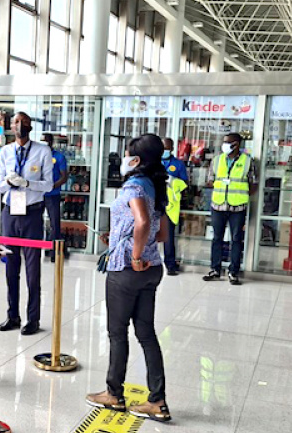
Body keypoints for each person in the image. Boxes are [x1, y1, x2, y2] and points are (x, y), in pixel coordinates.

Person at [86, 133, 171, 422]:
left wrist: (134, 254)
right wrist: (123, 238)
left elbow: (143, 222)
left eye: (126, 154)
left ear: (136, 159)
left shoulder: (134, 185)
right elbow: (162, 232)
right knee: (146, 333)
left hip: (127, 269)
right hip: (152, 268)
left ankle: (114, 394)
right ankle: (157, 401)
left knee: (117, 332)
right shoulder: (157, 187)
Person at [0, 112, 54, 336]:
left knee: (32, 270)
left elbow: (48, 185)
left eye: (23, 122)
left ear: (30, 125)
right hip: (10, 212)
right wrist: (8, 183)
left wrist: (27, 182)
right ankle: (12, 315)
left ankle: (33, 318)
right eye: (15, 122)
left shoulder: (42, 151)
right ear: (10, 127)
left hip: (32, 213)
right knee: (10, 268)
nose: (19, 126)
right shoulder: (5, 151)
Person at [203, 133, 257, 286]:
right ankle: (215, 269)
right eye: (224, 142)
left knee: (236, 239)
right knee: (217, 238)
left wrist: (243, 195)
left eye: (227, 142)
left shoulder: (248, 161)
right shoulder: (217, 160)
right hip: (218, 205)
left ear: (237, 144)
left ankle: (233, 272)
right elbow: (210, 180)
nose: (224, 144)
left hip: (237, 206)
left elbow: (254, 183)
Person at [161, 138, 188, 276]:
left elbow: (184, 183)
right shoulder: (152, 162)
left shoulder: (178, 164)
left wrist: (172, 180)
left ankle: (170, 265)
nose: (164, 150)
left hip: (169, 206)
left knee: (168, 237)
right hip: (152, 204)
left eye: (167, 148)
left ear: (171, 148)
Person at [43, 133, 68, 262]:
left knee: (54, 224)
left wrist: (52, 186)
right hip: (37, 194)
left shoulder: (59, 157)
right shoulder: (37, 156)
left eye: (46, 141)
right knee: (34, 222)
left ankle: (54, 252)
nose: (44, 143)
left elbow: (64, 177)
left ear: (51, 142)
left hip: (52, 195)